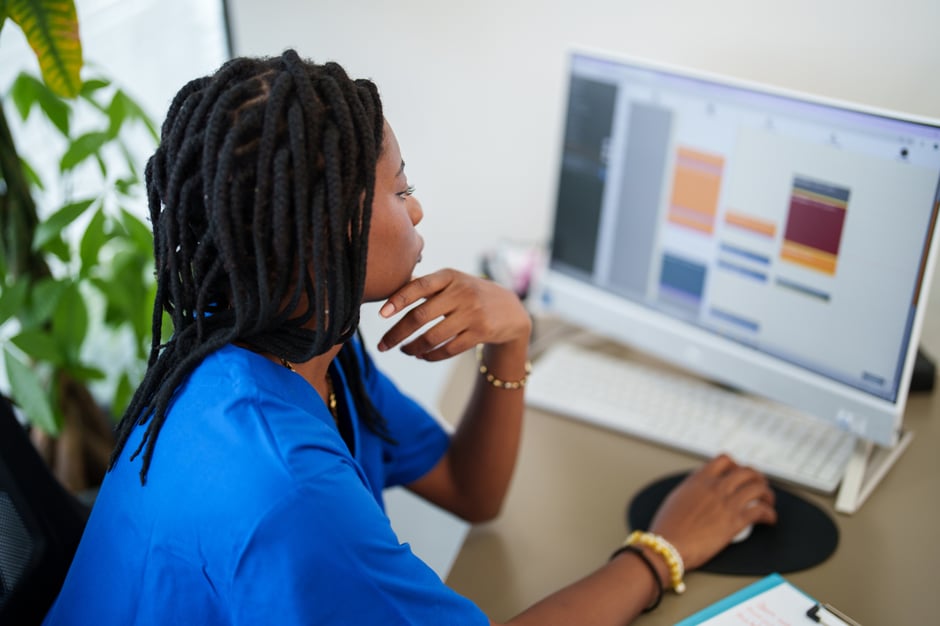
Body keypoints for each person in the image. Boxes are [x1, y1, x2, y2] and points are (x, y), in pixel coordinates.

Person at [42, 50, 776, 626]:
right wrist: (660, 551)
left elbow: (470, 491)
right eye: (399, 189)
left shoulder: (297, 347)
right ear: (324, 236)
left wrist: (510, 337)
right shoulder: (285, 489)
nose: (417, 207)